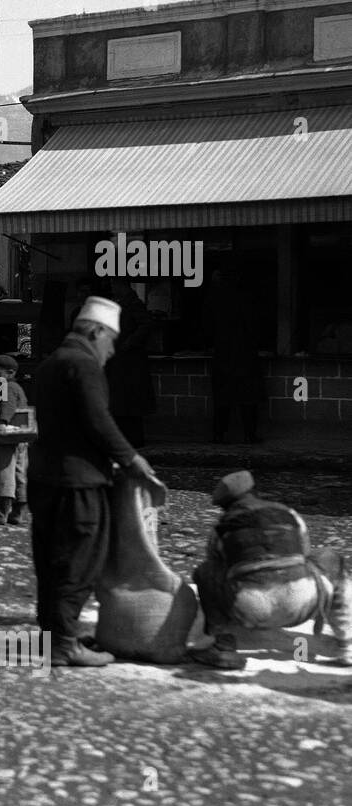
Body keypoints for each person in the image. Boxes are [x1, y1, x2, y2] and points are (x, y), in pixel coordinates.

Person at [29, 296, 160, 667]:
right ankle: (64, 645)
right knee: (79, 562)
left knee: (51, 561)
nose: (111, 350)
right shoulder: (83, 364)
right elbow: (97, 421)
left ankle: (54, 635)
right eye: (110, 340)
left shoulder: (52, 362)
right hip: (79, 483)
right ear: (96, 331)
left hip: (45, 478)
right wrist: (131, 459)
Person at [191, 471, 351, 670]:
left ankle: (223, 648)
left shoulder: (220, 528)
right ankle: (347, 646)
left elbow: (217, 564)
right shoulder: (288, 514)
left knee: (205, 572)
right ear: (254, 492)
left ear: (224, 505)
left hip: (251, 611)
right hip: (303, 604)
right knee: (331, 558)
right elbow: (305, 554)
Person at [206, 265, 262, 444]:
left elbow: (207, 327)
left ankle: (219, 434)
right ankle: (249, 434)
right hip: (244, 354)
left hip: (223, 354)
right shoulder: (246, 299)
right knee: (247, 398)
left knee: (223, 399)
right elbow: (253, 327)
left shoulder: (214, 299)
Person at [106, 280, 156, 448]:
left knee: (129, 403)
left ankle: (133, 438)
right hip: (121, 358)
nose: (113, 288)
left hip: (129, 361)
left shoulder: (133, 304)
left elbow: (146, 324)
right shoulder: (122, 304)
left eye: (115, 285)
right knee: (123, 402)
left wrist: (130, 342)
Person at [0, 355, 29, 526]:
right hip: (21, 436)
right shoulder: (17, 387)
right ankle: (19, 513)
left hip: (7, 437)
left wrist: (2, 423)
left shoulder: (4, 386)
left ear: (10, 373)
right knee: (20, 474)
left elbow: (6, 405)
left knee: (4, 473)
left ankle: (2, 513)